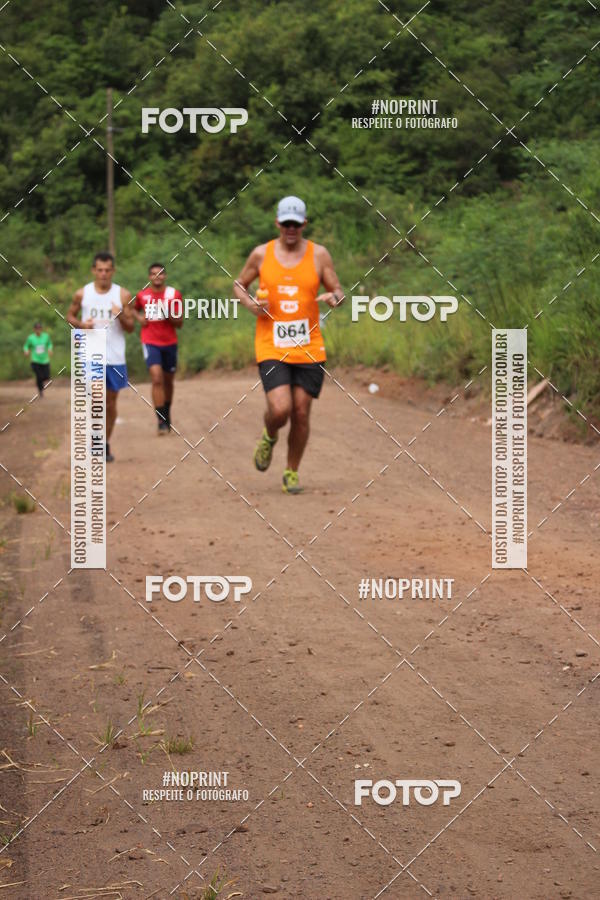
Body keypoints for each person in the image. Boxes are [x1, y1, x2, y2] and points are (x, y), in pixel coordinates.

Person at [233, 195, 343, 493]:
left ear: (304, 224)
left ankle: (291, 472)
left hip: (309, 346)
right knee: (280, 410)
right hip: (271, 344)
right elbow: (239, 285)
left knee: (301, 412)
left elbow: (337, 290)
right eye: (286, 224)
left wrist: (334, 298)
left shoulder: (319, 255)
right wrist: (251, 304)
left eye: (296, 224)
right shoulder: (260, 254)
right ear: (277, 224)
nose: (291, 229)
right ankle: (269, 435)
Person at [67, 252, 134, 462]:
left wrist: (120, 314)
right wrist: (81, 325)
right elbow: (70, 317)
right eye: (100, 270)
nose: (104, 274)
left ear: (113, 271)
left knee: (111, 403)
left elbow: (131, 327)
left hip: (115, 356)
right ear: (93, 270)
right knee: (98, 398)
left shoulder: (122, 295)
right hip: (91, 353)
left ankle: (104, 443)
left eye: (107, 270)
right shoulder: (82, 294)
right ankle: (96, 441)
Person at [133, 263, 183, 434]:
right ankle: (161, 420)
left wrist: (168, 314)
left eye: (160, 274)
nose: (157, 277)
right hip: (150, 341)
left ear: (165, 276)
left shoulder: (173, 294)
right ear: (149, 277)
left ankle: (166, 410)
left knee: (168, 381)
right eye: (154, 274)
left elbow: (180, 323)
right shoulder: (142, 295)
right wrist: (139, 318)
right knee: (156, 378)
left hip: (169, 342)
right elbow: (131, 309)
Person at [23, 322, 53, 396]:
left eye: (39, 328)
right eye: (36, 328)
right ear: (34, 329)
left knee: (46, 376)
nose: (38, 330)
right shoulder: (31, 338)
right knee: (39, 376)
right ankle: (40, 390)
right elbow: (26, 346)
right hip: (35, 360)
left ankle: (41, 385)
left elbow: (49, 344)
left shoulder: (46, 336)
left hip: (45, 360)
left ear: (41, 329)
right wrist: (26, 351)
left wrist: (50, 349)